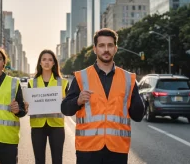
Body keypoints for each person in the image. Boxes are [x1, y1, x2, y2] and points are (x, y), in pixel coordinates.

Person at [61, 28, 145, 164]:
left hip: (117, 150)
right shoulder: (81, 77)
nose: (106, 49)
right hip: (87, 149)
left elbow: (138, 115)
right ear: (95, 49)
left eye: (110, 45)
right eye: (101, 45)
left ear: (115, 49)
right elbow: (65, 109)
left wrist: (136, 96)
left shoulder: (128, 79)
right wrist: (78, 100)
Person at [26, 49, 69, 164]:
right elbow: (27, 105)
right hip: (37, 126)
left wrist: (65, 102)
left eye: (50, 60)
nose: (47, 62)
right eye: (44, 59)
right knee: (39, 160)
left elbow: (68, 106)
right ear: (40, 62)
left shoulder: (63, 82)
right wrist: (26, 105)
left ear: (54, 63)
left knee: (57, 160)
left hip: (57, 125)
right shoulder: (31, 82)